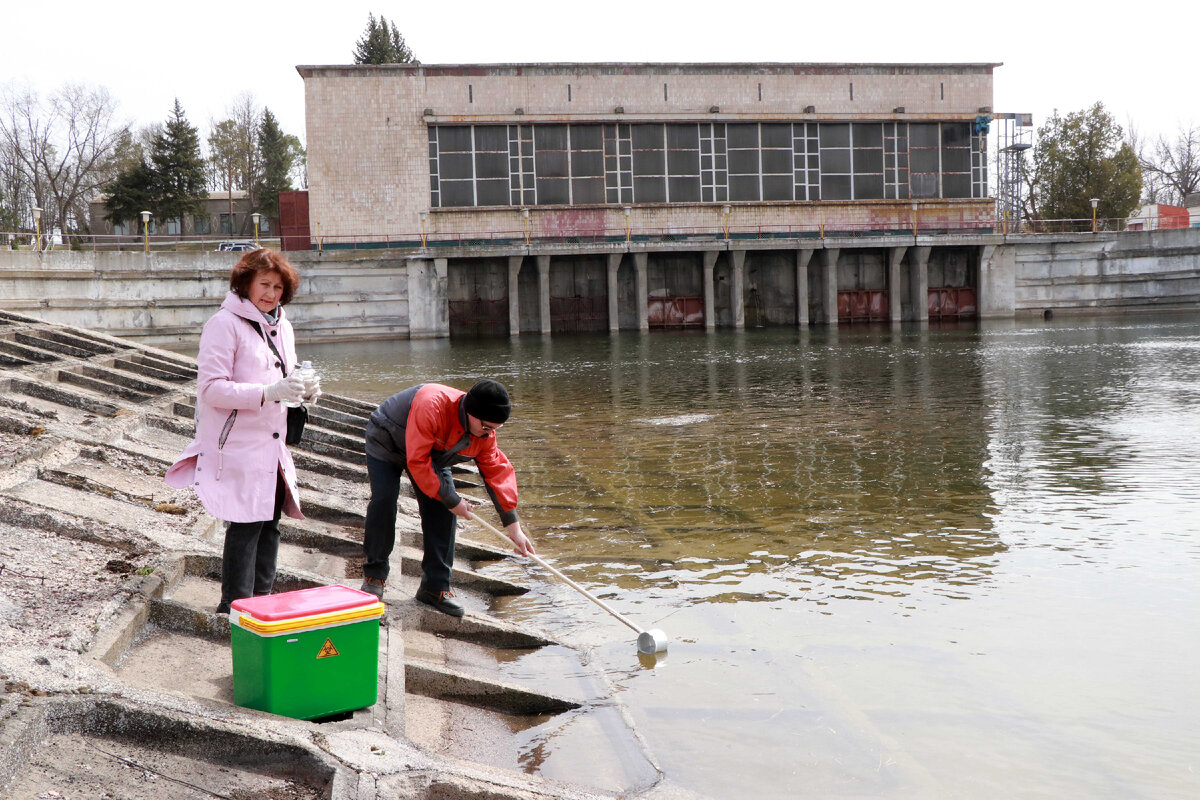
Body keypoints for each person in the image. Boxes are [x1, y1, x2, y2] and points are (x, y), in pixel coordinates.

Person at [165, 249, 321, 614]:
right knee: (246, 523)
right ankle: (234, 606)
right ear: (245, 283)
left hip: (273, 441)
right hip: (236, 442)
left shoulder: (282, 324)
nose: (270, 293)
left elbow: (288, 374)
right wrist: (268, 393)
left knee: (271, 521)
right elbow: (210, 389)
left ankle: (262, 605)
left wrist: (304, 390)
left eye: (278, 287)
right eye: (263, 284)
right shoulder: (224, 324)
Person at [360, 380, 535, 616]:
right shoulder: (431, 406)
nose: (490, 433)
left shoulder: (484, 433)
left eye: (496, 428)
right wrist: (454, 500)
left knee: (443, 513)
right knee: (384, 502)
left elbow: (496, 472)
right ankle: (375, 575)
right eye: (486, 427)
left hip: (434, 454)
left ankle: (435, 588)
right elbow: (417, 462)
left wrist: (514, 528)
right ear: (470, 413)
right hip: (387, 441)